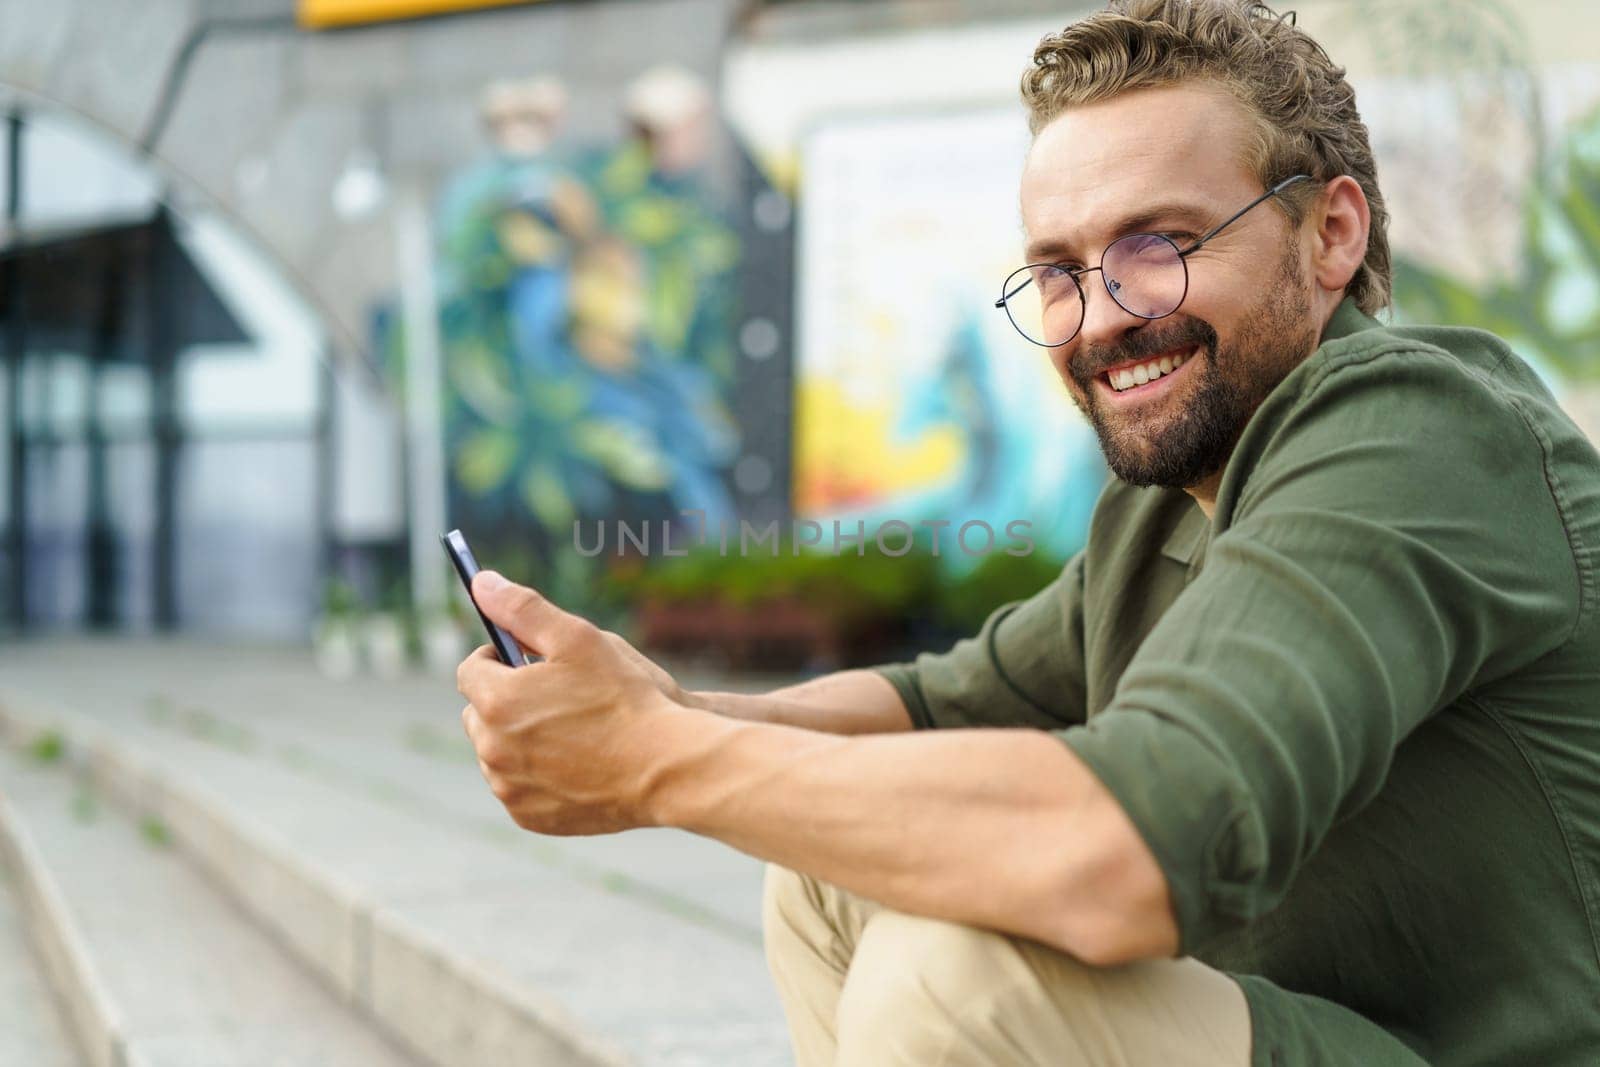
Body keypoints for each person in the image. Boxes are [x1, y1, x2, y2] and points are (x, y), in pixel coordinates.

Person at [454, 1, 1600, 1063]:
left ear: (1329, 233)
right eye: (1059, 270)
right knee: (827, 878)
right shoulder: (1165, 503)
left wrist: (651, 762)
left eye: (1160, 244)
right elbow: (934, 706)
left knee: (959, 973)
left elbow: (1137, 841)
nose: (1102, 317)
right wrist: (656, 707)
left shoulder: (1416, 431)